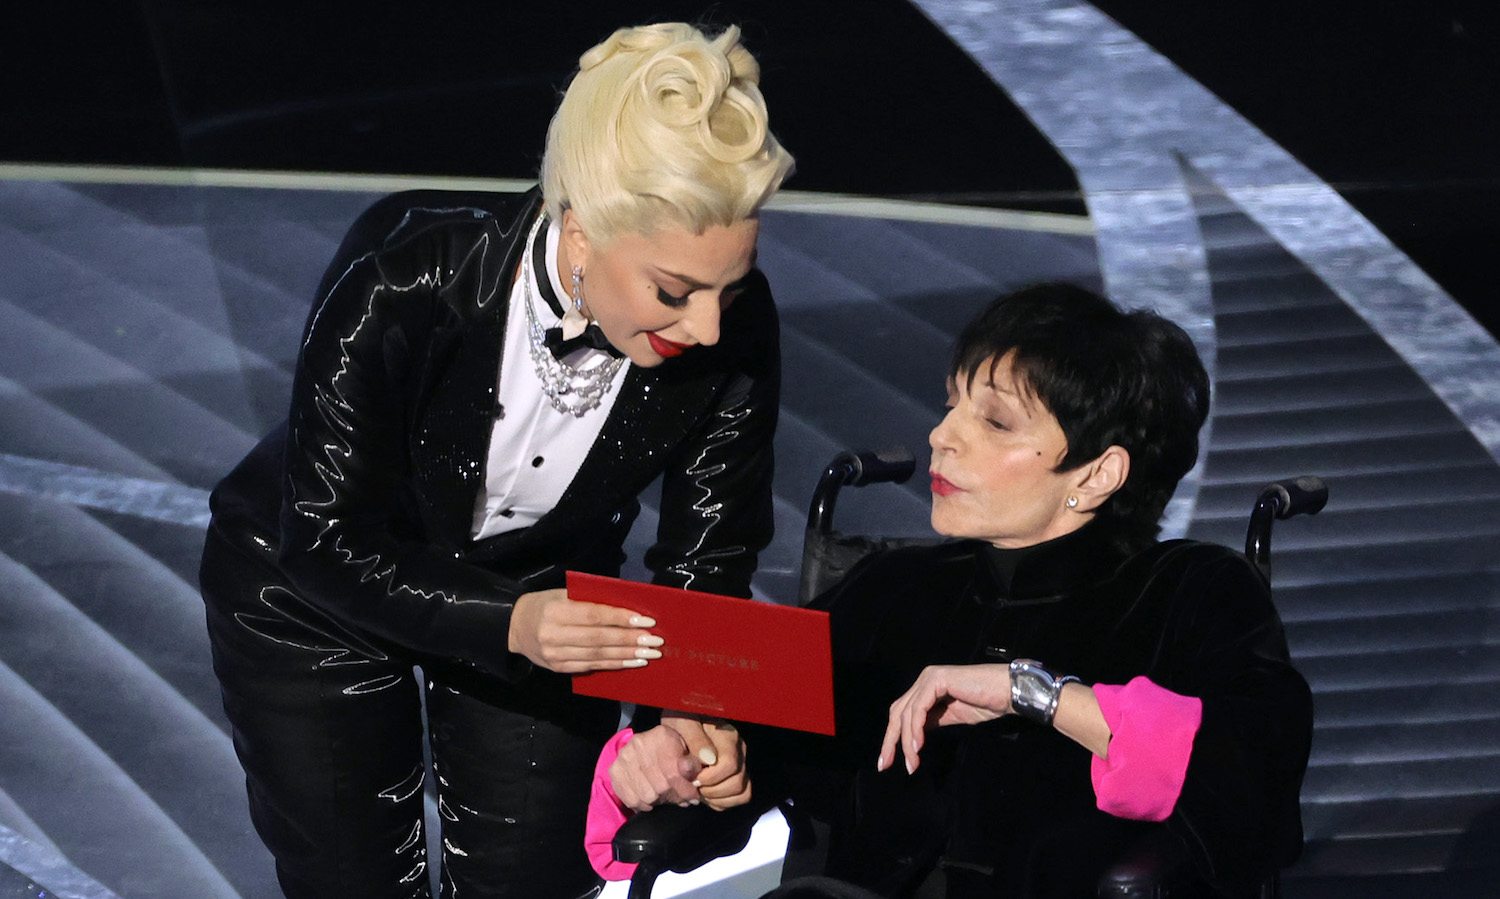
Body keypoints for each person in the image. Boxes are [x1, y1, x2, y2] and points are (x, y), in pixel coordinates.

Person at [198, 22, 793, 899]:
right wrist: (507, 621)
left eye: (728, 289)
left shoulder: (733, 331)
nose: (707, 326)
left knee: (534, 882)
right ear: (580, 230)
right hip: (316, 596)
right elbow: (323, 535)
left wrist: (695, 711)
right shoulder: (403, 269)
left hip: (549, 599)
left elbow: (711, 555)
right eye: (673, 291)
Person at [603, 284, 1314, 897]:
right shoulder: (890, 591)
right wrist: (676, 757)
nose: (942, 436)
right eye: (952, 406)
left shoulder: (1191, 593)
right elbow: (745, 742)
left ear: (1097, 474)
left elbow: (1248, 785)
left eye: (995, 420)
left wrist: (1031, 692)